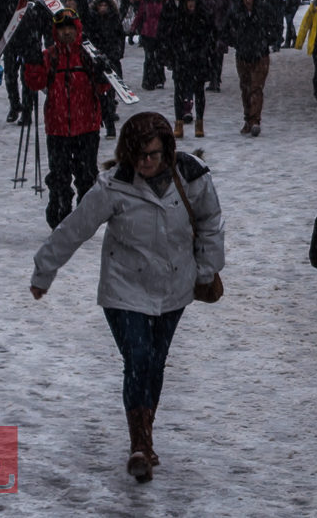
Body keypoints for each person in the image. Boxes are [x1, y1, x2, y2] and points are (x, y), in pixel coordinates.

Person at [29, 111, 224, 484]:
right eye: (137, 155)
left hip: (174, 287)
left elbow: (211, 222)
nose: (144, 162)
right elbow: (74, 229)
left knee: (156, 362)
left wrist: (205, 270)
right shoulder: (113, 185)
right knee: (138, 358)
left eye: (151, 154)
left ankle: (144, 436)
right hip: (124, 288)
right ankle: (140, 445)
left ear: (166, 149)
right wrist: (44, 270)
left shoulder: (193, 175)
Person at [24, 7, 111, 227]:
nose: (66, 32)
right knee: (59, 177)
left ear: (77, 28)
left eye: (70, 28)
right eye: (61, 28)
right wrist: (33, 63)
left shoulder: (88, 55)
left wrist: (103, 72)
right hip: (57, 127)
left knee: (86, 176)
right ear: (55, 31)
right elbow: (36, 84)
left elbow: (103, 87)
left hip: (87, 127)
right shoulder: (49, 56)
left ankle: (85, 218)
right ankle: (59, 216)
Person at [0, 0, 52, 123]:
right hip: (12, 44)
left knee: (28, 80)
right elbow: (0, 22)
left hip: (31, 44)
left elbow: (47, 24)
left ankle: (27, 111)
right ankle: (14, 106)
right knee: (10, 78)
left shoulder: (39, 0)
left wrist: (49, 43)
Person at [158, 0, 216, 140]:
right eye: (188, 1)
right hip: (182, 60)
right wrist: (174, 56)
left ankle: (200, 123)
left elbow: (211, 37)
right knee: (179, 92)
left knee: (199, 92)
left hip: (198, 60)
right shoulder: (178, 19)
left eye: (193, 1)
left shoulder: (204, 18)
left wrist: (205, 53)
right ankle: (178, 124)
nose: (191, 4)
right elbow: (171, 39)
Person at [231, 0, 278, 137]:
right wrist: (236, 42)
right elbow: (226, 28)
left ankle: (254, 120)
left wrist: (267, 40)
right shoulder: (236, 12)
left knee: (256, 87)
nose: (248, 1)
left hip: (260, 54)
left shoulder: (263, 10)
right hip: (243, 54)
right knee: (246, 88)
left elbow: (276, 26)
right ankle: (249, 118)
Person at [85, 0, 126, 138]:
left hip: (111, 60)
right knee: (99, 94)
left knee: (109, 93)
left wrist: (116, 53)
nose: (102, 8)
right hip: (97, 60)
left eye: (105, 5)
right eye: (100, 5)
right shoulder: (92, 21)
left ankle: (110, 124)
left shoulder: (113, 19)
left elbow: (120, 37)